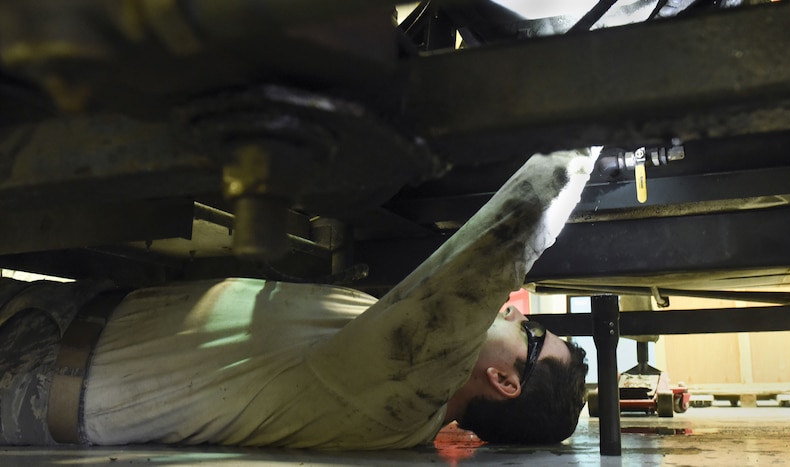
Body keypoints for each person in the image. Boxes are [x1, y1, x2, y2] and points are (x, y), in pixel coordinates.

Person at [0, 147, 602, 449]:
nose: (517, 310)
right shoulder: (394, 381)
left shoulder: (400, 399)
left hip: (31, 374)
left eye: (530, 335)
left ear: (505, 382)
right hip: (57, 324)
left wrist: (606, 105)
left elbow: (503, 240)